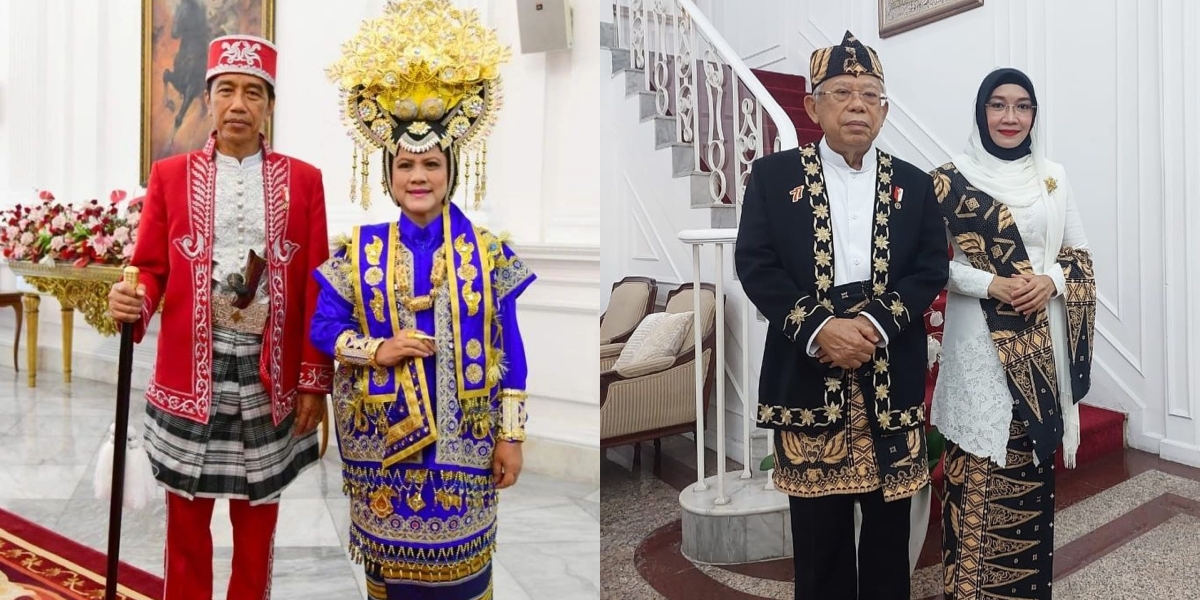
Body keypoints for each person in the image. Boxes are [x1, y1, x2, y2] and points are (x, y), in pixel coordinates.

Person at [310, 1, 534, 597]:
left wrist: (511, 434)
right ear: (387, 175)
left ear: (451, 170)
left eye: (431, 163)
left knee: (463, 577)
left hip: (468, 442)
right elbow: (322, 326)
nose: (418, 176)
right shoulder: (357, 250)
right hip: (384, 442)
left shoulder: (488, 253)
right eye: (406, 164)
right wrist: (376, 349)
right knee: (392, 583)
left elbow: (510, 345)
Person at [107, 34, 332, 600]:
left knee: (257, 526)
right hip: (191, 377)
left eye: (253, 93)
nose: (238, 104)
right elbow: (150, 269)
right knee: (186, 522)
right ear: (208, 99)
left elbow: (317, 288)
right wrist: (132, 302)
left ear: (270, 105)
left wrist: (312, 382)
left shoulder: (304, 181)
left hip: (269, 377)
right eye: (226, 90)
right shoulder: (170, 176)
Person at [734, 31, 949, 600]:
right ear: (812, 106)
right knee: (819, 539)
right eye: (842, 92)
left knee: (887, 538)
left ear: (883, 108)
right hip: (807, 375)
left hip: (888, 372)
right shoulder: (773, 178)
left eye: (871, 93)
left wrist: (874, 325)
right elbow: (756, 265)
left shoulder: (915, 184)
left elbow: (929, 268)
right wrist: (820, 328)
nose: (858, 104)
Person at [930, 67, 1095, 600]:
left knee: (1029, 479)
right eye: (997, 105)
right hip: (978, 349)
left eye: (1022, 106)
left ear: (1033, 115)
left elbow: (1079, 256)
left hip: (1038, 348)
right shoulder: (949, 178)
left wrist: (1050, 280)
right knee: (977, 472)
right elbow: (933, 266)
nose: (1010, 117)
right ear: (981, 112)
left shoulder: (1054, 176)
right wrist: (993, 285)